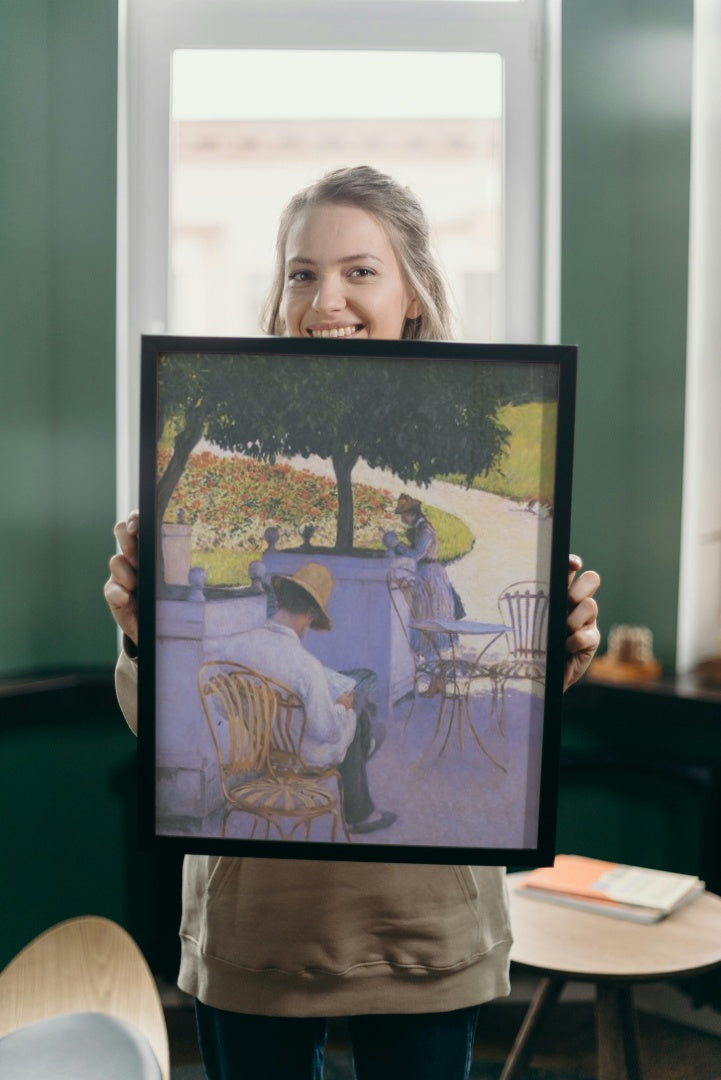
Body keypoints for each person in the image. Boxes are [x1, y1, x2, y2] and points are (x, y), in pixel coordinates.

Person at [105, 165, 601, 1080]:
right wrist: (139, 635)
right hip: (257, 927)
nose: (323, 298)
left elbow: (533, 722)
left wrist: (563, 653)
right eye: (301, 272)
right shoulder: (206, 413)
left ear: (413, 292)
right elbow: (163, 728)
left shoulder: (479, 407)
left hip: (425, 924)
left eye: (359, 271)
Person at [223, 561, 396, 835]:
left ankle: (365, 744)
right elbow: (324, 732)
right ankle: (363, 786)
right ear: (311, 614)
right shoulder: (306, 666)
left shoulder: (239, 645)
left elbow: (223, 703)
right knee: (357, 706)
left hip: (262, 745)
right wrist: (341, 707)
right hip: (303, 755)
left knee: (355, 705)